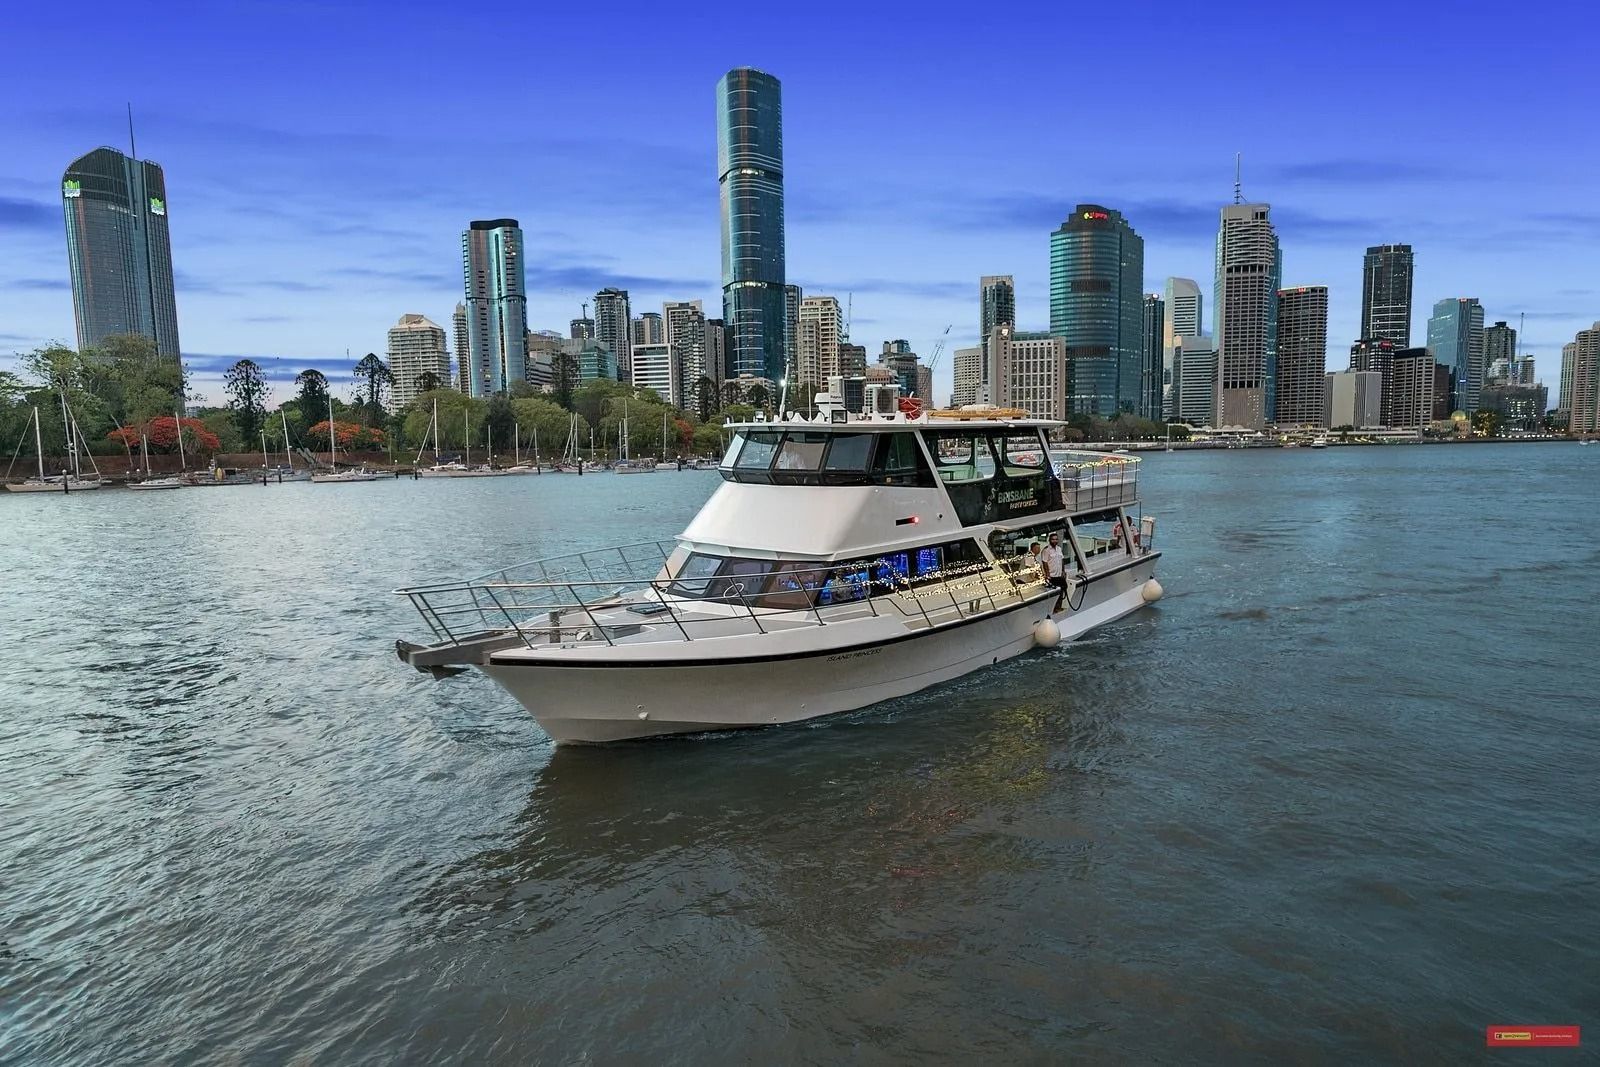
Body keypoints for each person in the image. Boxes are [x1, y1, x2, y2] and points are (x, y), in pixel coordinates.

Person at [1040, 531, 1069, 614]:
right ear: (1050, 540)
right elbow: (1045, 562)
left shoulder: (1059, 549)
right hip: (1052, 575)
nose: (1055, 541)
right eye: (1053, 539)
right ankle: (1054, 608)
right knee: (1055, 591)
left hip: (1059, 574)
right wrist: (1047, 574)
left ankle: (1058, 606)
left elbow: (1062, 560)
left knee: (1063, 588)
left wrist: (1063, 571)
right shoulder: (1046, 550)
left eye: (1056, 539)